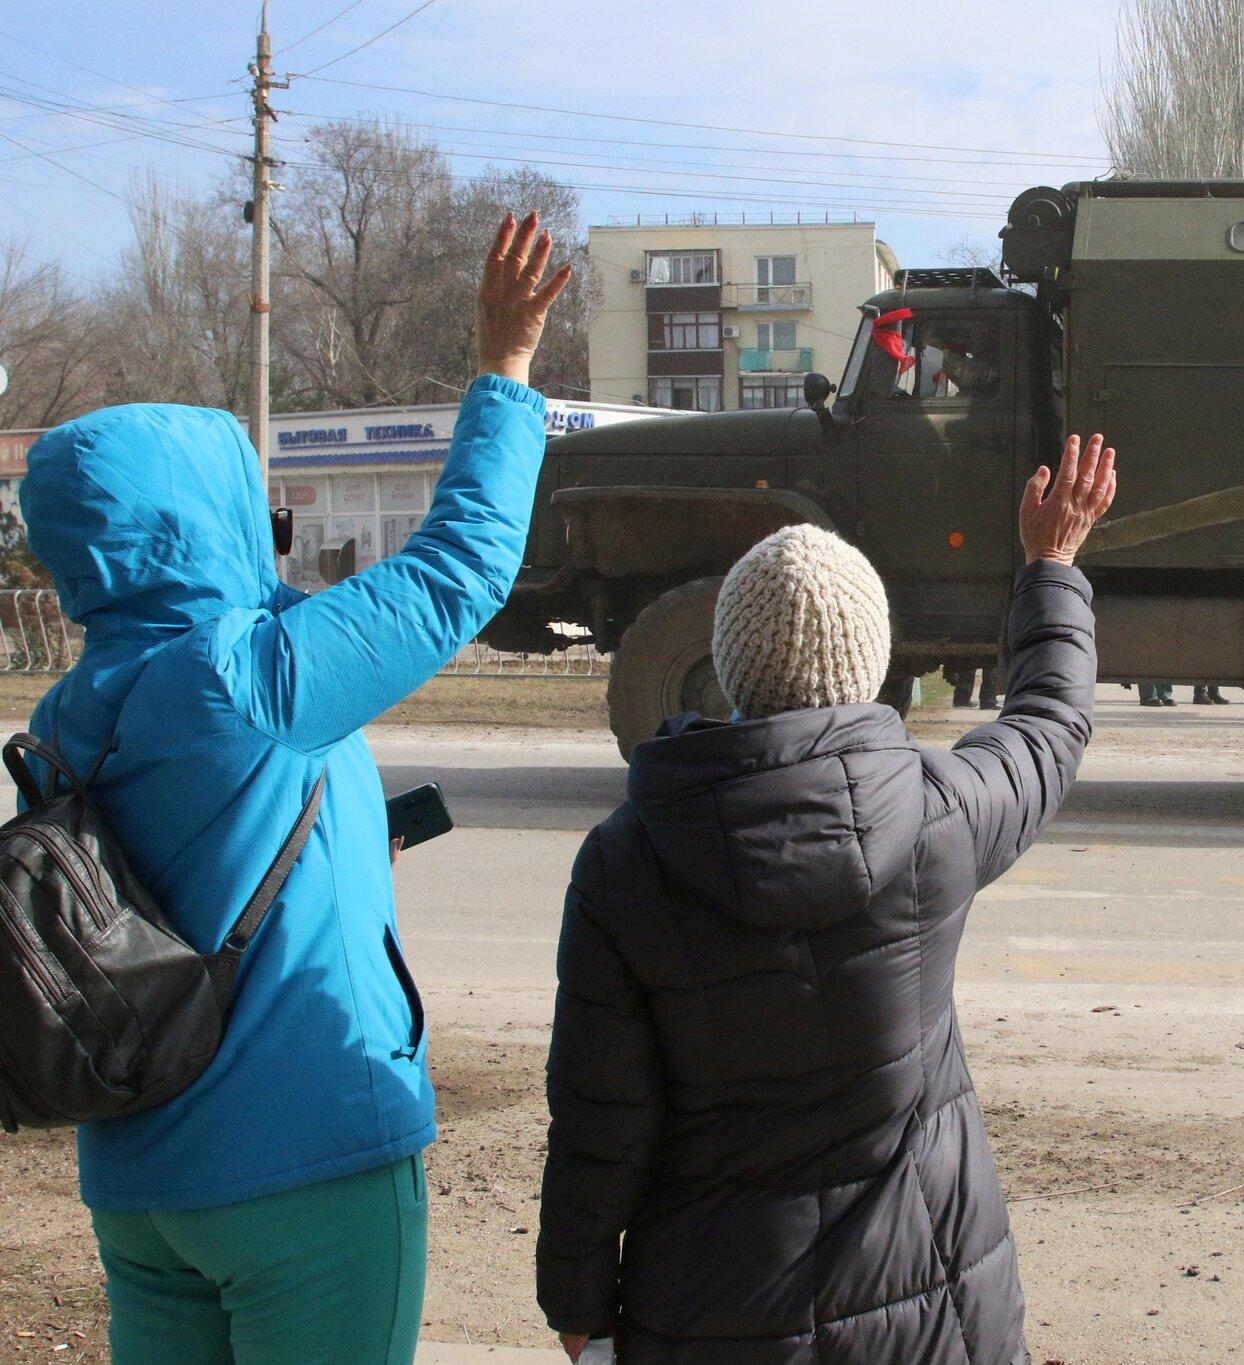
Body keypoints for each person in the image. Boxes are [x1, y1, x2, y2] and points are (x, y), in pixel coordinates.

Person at [20, 213, 570, 1365]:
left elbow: (152, 888)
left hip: (137, 1180)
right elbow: (457, 570)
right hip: (301, 1164)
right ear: (202, 517)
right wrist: (506, 368)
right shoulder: (241, 680)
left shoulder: (69, 712)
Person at [537, 435, 1118, 1364]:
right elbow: (1048, 724)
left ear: (731, 661)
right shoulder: (939, 815)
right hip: (929, 1313)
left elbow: (599, 1117)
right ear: (871, 659)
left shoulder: (624, 863)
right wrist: (1051, 565)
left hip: (711, 1314)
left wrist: (576, 1301)